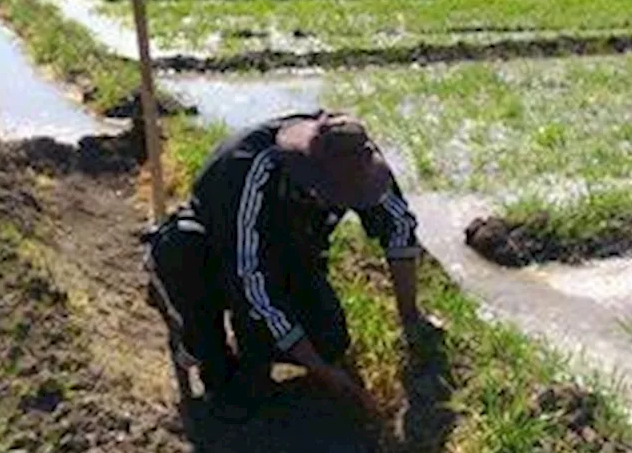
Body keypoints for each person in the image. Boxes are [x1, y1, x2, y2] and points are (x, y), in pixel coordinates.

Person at [143, 110, 433, 422]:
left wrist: (410, 317)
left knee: (330, 342)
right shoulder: (250, 169)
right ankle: (208, 348)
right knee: (230, 383)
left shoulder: (357, 162)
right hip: (219, 251)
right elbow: (249, 278)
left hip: (293, 255)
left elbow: (399, 227)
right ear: (306, 168)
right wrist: (321, 373)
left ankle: (256, 347)